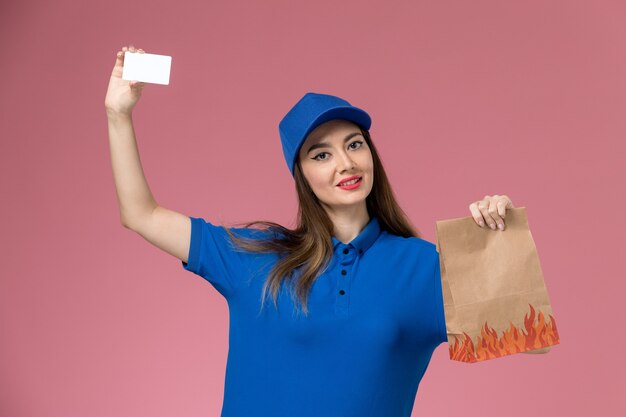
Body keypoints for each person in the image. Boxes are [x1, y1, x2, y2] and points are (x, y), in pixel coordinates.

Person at [105, 45, 516, 417]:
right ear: (300, 174)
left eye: (354, 145)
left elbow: (531, 336)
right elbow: (141, 214)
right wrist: (118, 115)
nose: (345, 163)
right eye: (322, 153)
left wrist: (500, 240)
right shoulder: (258, 258)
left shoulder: (424, 268)